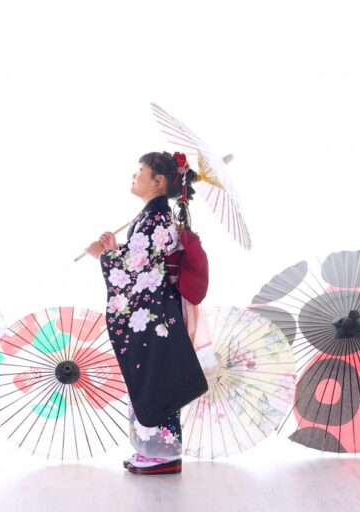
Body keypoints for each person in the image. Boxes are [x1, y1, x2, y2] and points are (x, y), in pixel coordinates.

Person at [85, 151, 208, 475]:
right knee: (152, 376)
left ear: (159, 181)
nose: (134, 174)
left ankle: (162, 455)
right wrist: (115, 249)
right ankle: (152, 451)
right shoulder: (153, 217)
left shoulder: (155, 219)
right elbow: (141, 260)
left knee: (155, 378)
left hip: (154, 314)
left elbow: (136, 269)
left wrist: (104, 256)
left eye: (140, 169)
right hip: (155, 311)